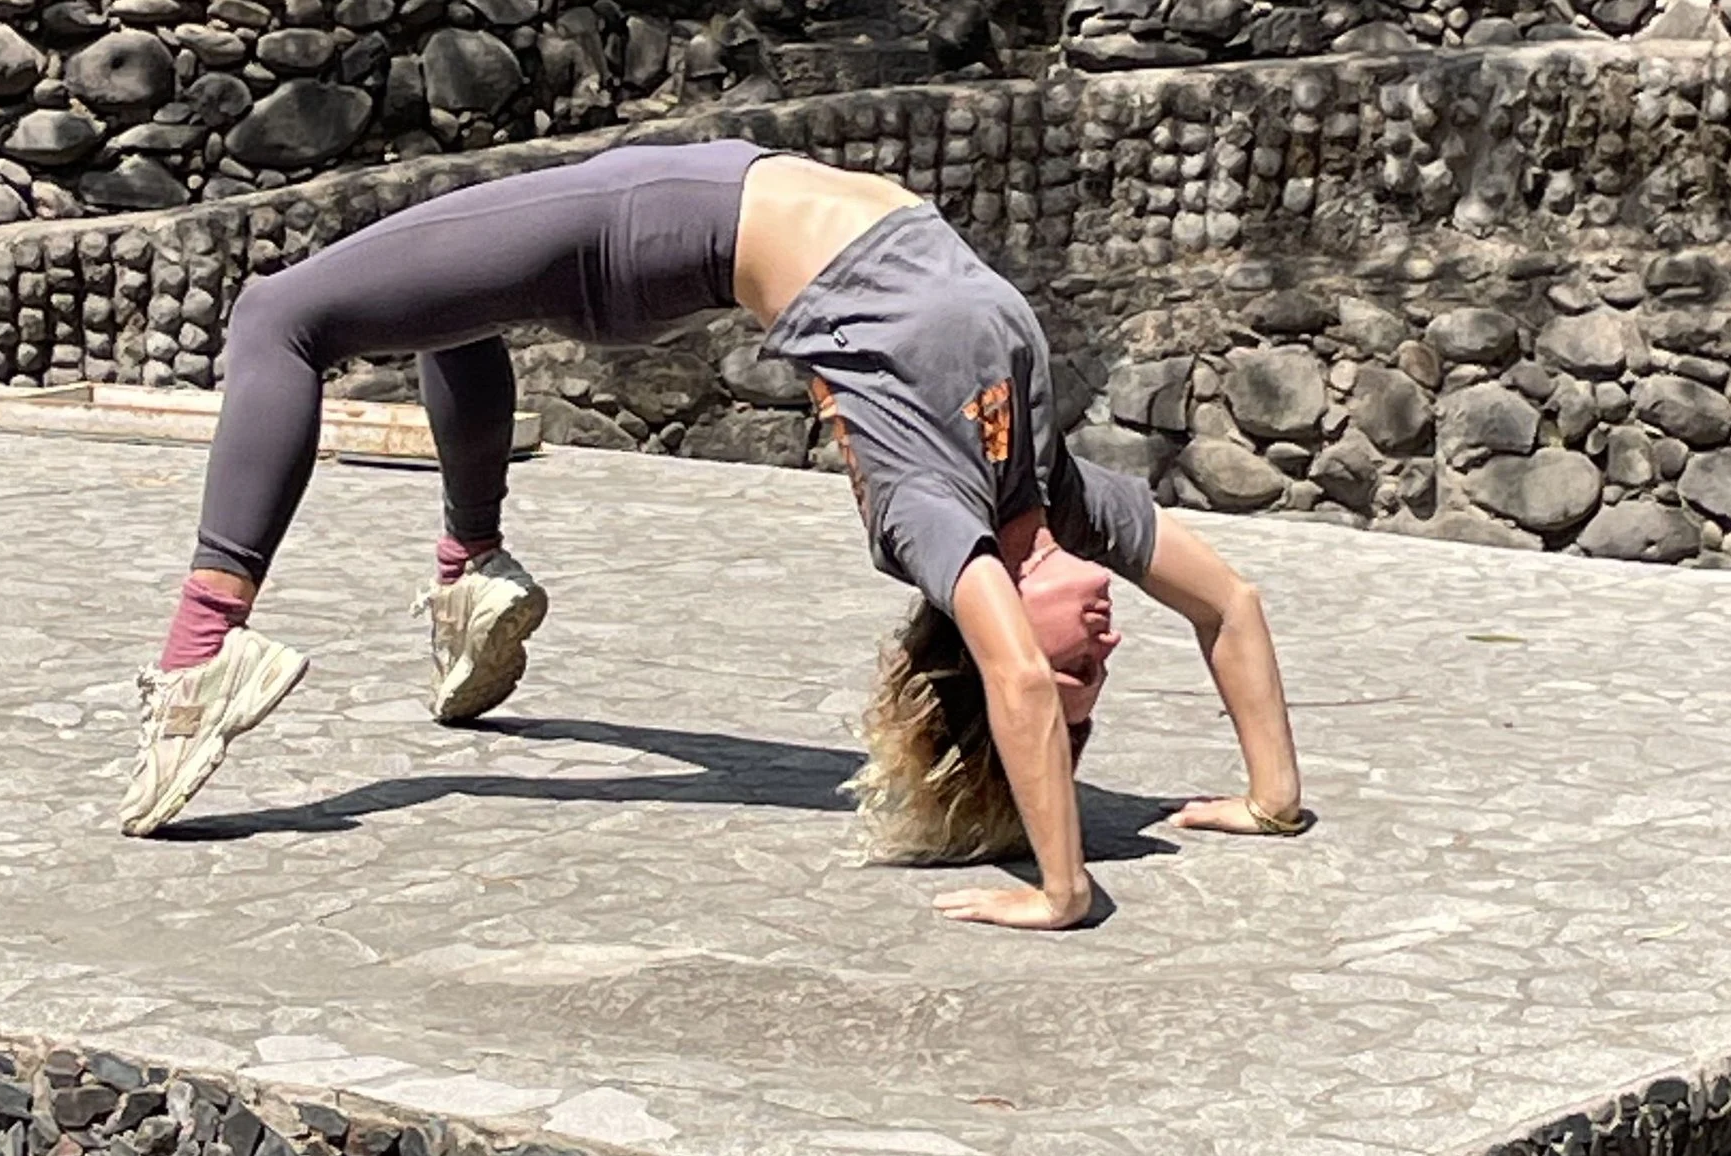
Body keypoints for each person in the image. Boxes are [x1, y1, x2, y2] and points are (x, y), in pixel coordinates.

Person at [118, 140, 1308, 923]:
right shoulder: (1049, 490)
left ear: (968, 616)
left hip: (648, 230)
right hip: (687, 207)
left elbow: (1014, 675)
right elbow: (1228, 605)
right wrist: (1270, 801)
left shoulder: (931, 520)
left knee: (279, 316)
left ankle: (197, 657)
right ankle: (469, 572)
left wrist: (1063, 891)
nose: (1101, 637)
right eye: (1103, 665)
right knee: (445, 313)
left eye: (1077, 668)